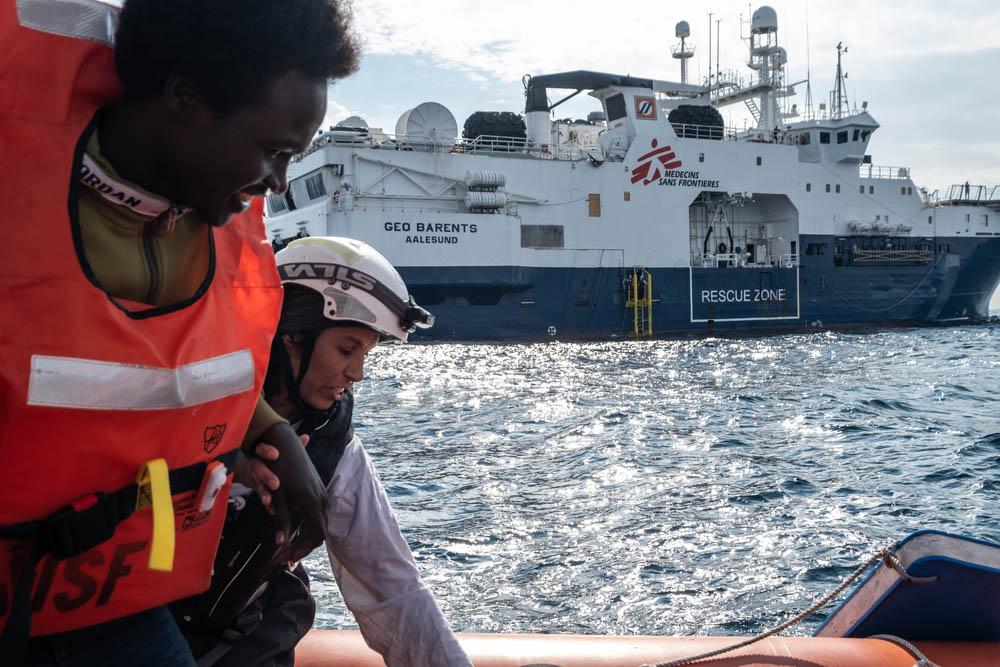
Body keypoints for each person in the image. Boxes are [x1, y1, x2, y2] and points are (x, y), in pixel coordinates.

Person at [0, 1, 357, 665]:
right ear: (185, 97)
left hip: (104, 602)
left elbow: (172, 366)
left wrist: (272, 429)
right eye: (273, 151)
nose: (277, 185)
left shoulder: (210, 216)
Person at [172, 237, 472, 666]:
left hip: (236, 638)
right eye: (347, 349)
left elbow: (392, 586)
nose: (358, 374)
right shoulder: (191, 404)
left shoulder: (335, 452)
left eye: (366, 353)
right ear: (291, 336)